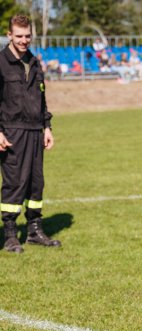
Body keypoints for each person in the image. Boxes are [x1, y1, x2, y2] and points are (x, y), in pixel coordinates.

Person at [0, 14, 61, 253]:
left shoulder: (35, 62)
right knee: (15, 183)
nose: (24, 40)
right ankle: (10, 235)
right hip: (12, 132)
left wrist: (47, 127)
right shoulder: (1, 63)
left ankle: (35, 231)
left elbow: (41, 98)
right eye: (19, 36)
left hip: (36, 131)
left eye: (27, 36)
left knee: (36, 183)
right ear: (9, 36)